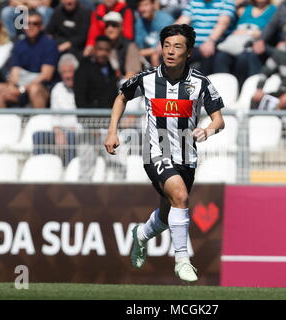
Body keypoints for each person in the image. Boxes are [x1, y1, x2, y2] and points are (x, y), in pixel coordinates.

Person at [104, 24, 225, 282]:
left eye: (177, 47)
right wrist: (112, 131)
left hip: (187, 156)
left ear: (189, 52)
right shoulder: (147, 79)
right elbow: (121, 97)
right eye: (167, 46)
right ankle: (182, 260)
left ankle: (140, 235)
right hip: (156, 151)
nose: (170, 51)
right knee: (180, 197)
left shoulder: (200, 83)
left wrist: (207, 131)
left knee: (166, 214)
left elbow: (219, 121)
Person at [0, 10, 59, 108]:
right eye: (27, 23)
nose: (30, 26)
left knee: (34, 89)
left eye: (35, 23)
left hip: (43, 88)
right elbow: (15, 72)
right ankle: (2, 122)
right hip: (21, 87)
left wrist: (22, 89)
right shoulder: (19, 44)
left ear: (41, 26)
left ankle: (37, 122)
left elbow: (46, 75)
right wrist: (11, 87)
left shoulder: (49, 44)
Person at [214, 0, 276, 87]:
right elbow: (235, 30)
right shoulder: (245, 9)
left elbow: (266, 32)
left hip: (255, 45)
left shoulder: (274, 10)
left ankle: (241, 88)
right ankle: (220, 88)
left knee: (243, 58)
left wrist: (249, 33)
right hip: (236, 43)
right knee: (221, 57)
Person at [33, 53, 79, 166]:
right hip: (61, 130)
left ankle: (69, 170)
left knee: (71, 136)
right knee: (38, 136)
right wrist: (58, 132)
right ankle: (40, 169)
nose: (67, 75)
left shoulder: (83, 86)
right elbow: (55, 115)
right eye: (64, 72)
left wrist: (72, 129)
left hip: (80, 131)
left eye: (70, 71)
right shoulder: (57, 89)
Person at [175, 0, 237, 75]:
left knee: (209, 55)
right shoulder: (194, 2)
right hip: (192, 46)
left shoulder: (226, 2)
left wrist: (210, 41)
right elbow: (181, 22)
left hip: (215, 45)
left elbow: (223, 23)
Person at [74, 35, 118, 108]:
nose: (103, 53)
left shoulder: (112, 70)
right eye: (100, 49)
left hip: (108, 115)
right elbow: (80, 97)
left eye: (107, 50)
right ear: (94, 49)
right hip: (90, 115)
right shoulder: (84, 68)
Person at [103, 12, 141, 82]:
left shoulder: (130, 46)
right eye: (107, 26)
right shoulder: (102, 46)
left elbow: (132, 73)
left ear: (121, 27)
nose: (110, 29)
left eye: (114, 25)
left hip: (125, 85)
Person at [135, 0, 174, 67]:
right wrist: (153, 51)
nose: (142, 9)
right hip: (147, 56)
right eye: (140, 6)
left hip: (167, 54)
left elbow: (167, 45)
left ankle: (158, 77)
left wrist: (154, 52)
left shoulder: (165, 19)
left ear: (153, 5)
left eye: (146, 5)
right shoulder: (139, 23)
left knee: (155, 56)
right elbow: (139, 49)